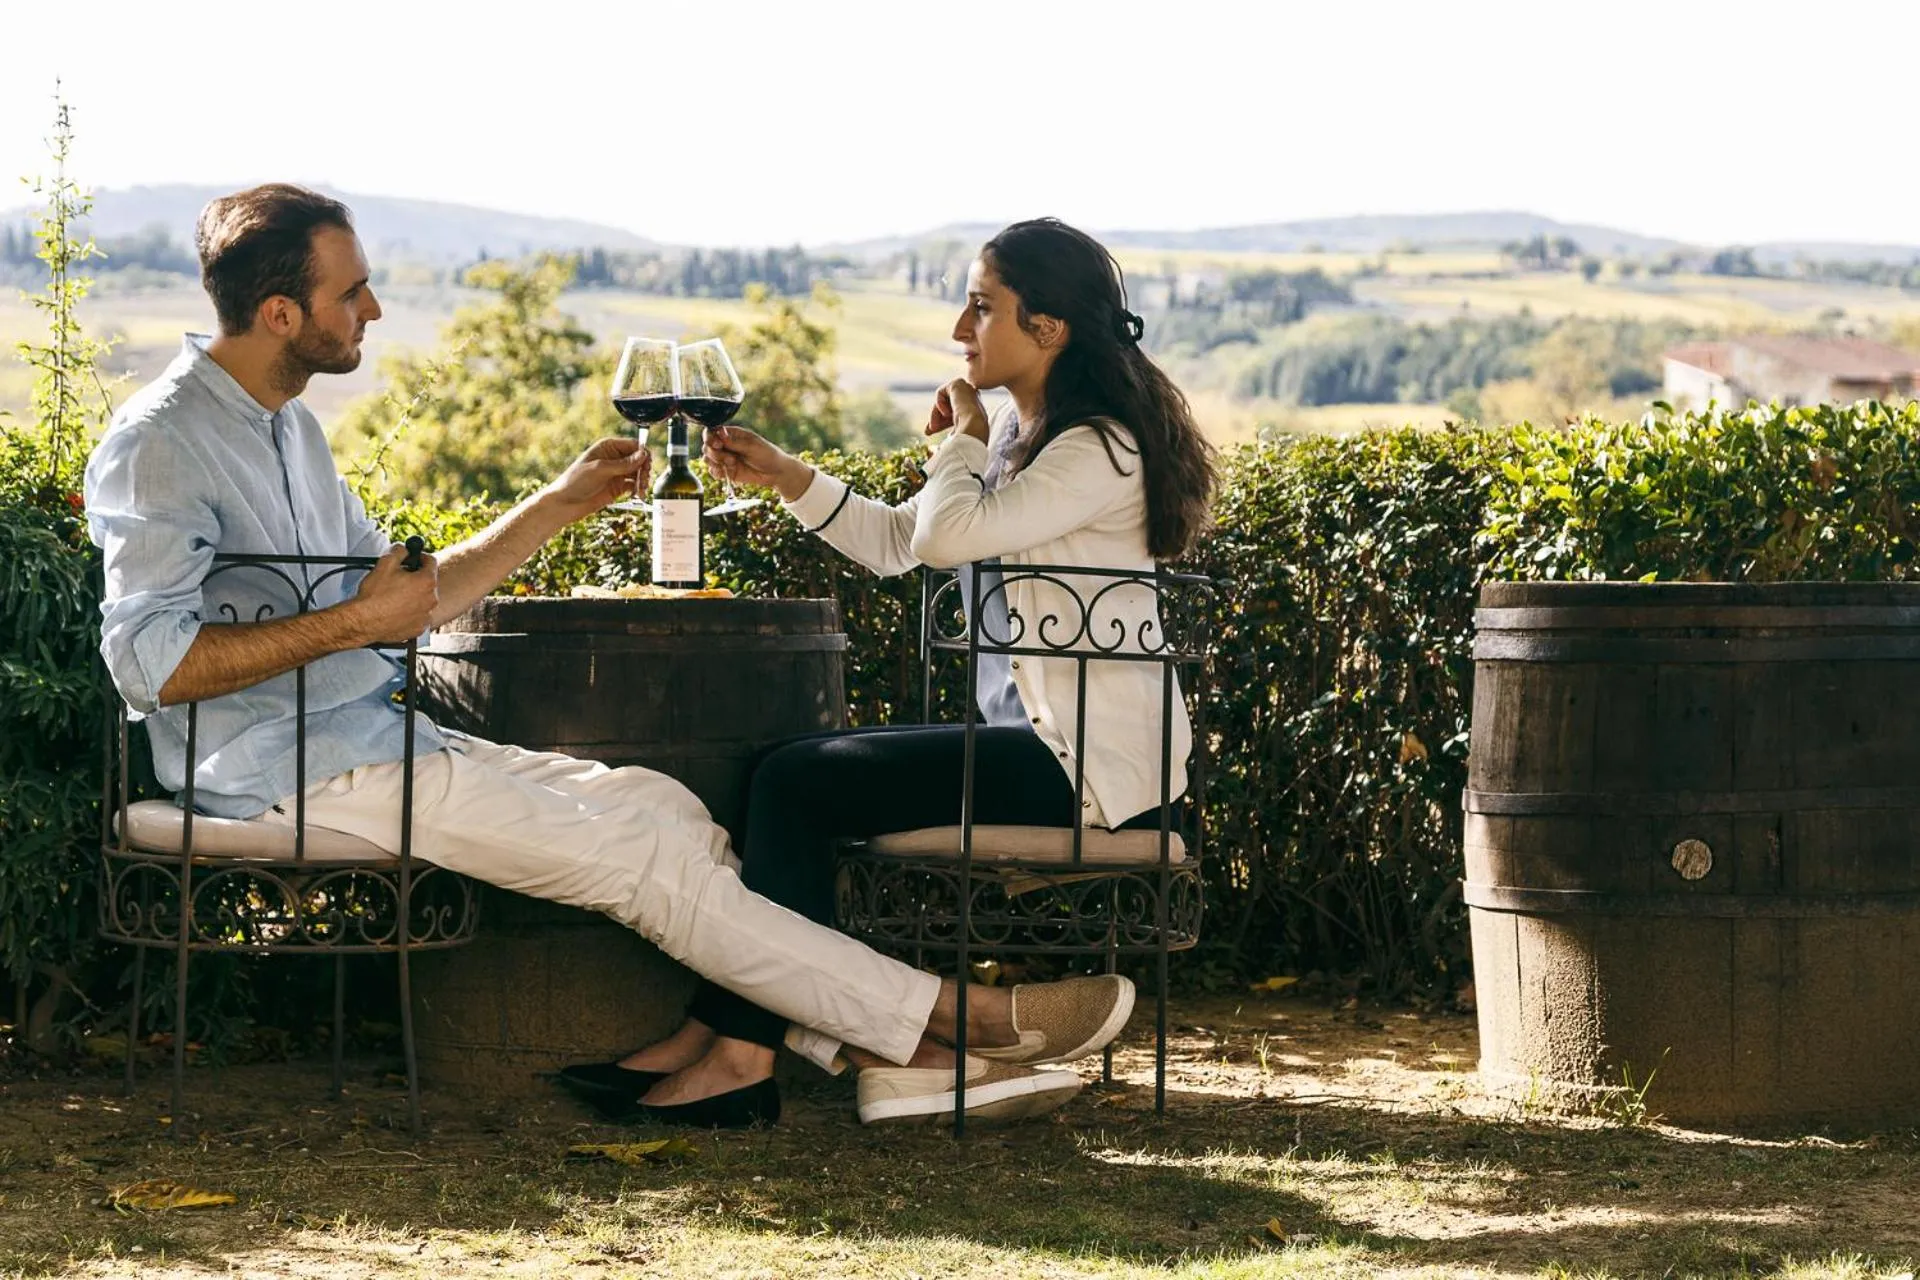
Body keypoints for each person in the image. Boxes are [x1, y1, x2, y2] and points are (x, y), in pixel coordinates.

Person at [83, 185, 1134, 1129]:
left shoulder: (290, 431)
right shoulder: (161, 440)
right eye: (351, 292)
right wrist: (355, 626)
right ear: (281, 314)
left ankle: (873, 1052)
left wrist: (558, 504)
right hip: (286, 770)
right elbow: (149, 663)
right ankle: (959, 1021)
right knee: (643, 865)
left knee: (663, 809)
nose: (376, 309)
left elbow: (412, 599)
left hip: (374, 737)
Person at [562, 217, 1217, 1124]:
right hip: (1032, 747)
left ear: (1049, 327)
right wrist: (787, 476)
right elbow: (900, 543)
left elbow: (946, 535)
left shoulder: (1099, 448)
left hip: (1092, 774)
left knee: (795, 783)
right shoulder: (1026, 435)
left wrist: (962, 442)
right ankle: (721, 1032)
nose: (959, 329)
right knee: (780, 770)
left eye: (982, 307)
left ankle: (741, 1052)